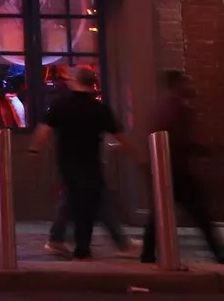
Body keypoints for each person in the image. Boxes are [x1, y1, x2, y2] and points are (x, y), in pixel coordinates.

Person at [34, 64, 122, 260]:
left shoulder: (60, 104)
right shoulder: (99, 108)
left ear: (74, 82)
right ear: (92, 83)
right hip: (90, 161)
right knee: (88, 204)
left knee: (74, 200)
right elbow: (119, 135)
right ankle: (82, 248)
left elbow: (43, 130)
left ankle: (61, 240)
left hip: (66, 162)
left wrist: (34, 150)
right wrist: (137, 153)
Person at [143, 70, 224, 264]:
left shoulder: (169, 107)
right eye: (186, 83)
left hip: (172, 169)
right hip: (177, 170)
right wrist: (201, 149)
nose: (191, 86)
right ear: (176, 85)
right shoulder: (175, 109)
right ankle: (218, 253)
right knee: (201, 215)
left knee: (160, 214)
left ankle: (147, 254)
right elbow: (175, 139)